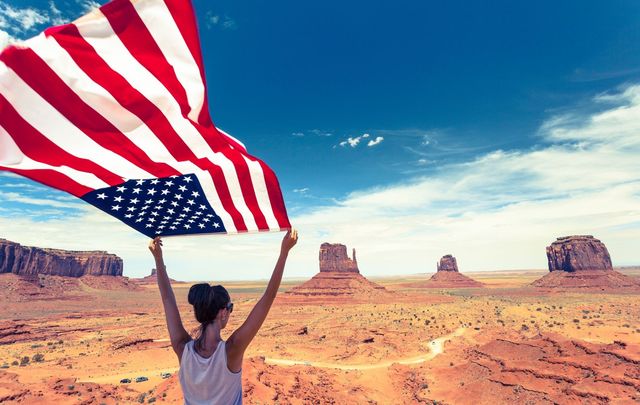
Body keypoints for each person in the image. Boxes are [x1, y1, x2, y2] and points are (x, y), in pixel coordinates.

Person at [148, 229, 299, 405]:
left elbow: (167, 299)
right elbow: (269, 297)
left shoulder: (183, 349)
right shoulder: (231, 351)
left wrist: (158, 259)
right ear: (223, 312)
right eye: (230, 307)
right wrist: (284, 252)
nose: (230, 312)